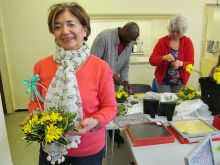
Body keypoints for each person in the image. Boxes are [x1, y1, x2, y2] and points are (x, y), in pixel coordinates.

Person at [20, 2, 117, 165]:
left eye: (71, 24)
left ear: (84, 29)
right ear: (53, 33)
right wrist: (33, 114)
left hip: (88, 148)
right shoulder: (41, 66)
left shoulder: (100, 67)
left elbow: (110, 107)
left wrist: (96, 121)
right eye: (57, 27)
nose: (65, 31)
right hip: (50, 147)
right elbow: (35, 102)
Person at [90, 22, 139, 144]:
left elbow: (125, 65)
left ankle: (113, 132)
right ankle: (97, 136)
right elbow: (92, 62)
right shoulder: (104, 37)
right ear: (124, 30)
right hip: (98, 85)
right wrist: (111, 75)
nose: (131, 42)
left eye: (133, 40)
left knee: (112, 109)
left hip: (114, 86)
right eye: (130, 39)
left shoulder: (129, 43)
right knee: (99, 112)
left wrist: (126, 81)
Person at [149, 15, 194, 93]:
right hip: (163, 80)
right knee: (166, 102)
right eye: (172, 31)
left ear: (183, 31)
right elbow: (152, 60)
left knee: (178, 102)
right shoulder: (162, 41)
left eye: (178, 32)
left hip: (180, 80)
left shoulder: (187, 42)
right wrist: (163, 57)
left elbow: (191, 63)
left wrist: (181, 64)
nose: (175, 34)